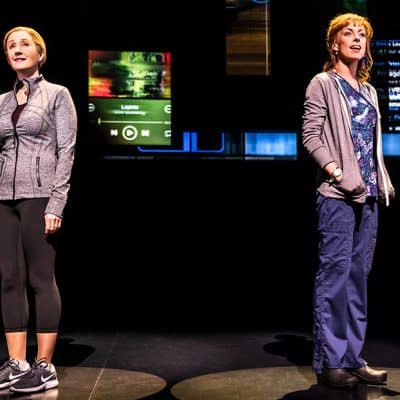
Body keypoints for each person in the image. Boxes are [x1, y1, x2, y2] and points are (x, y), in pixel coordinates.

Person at [302, 13, 395, 390]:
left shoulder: (369, 91)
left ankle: (353, 358)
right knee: (335, 277)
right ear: (334, 44)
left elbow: (371, 145)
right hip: (337, 195)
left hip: (369, 195)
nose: (356, 38)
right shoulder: (323, 83)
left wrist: (380, 179)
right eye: (348, 33)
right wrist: (336, 173)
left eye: (362, 34)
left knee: (358, 278)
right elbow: (311, 135)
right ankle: (330, 362)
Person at [0, 26, 77, 393]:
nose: (17, 49)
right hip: (4, 198)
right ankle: (17, 363)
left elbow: (66, 150)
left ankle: (44, 366)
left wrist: (56, 202)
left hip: (40, 196)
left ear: (40, 53)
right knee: (9, 278)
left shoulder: (57, 94)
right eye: (11, 46)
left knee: (40, 278)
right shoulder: (1, 101)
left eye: (24, 44)